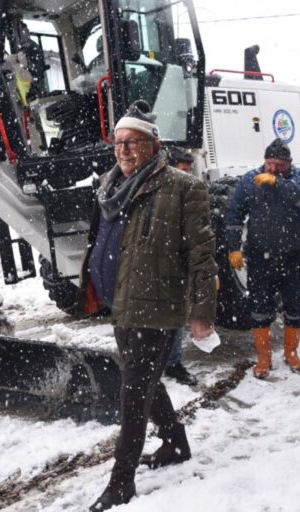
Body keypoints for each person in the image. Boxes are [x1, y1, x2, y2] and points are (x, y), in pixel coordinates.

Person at [78, 100, 217, 511]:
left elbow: (202, 256)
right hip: (121, 302)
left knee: (133, 393)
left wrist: (202, 314)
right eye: (118, 142)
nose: (123, 150)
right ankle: (175, 443)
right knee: (143, 380)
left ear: (153, 145)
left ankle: (121, 482)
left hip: (156, 307)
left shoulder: (182, 187)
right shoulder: (111, 185)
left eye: (133, 142)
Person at [226, 138, 300, 378]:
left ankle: (291, 352)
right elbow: (234, 213)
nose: (273, 168)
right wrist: (233, 247)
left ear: (289, 163)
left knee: (294, 306)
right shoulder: (250, 180)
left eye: (279, 164)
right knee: (260, 307)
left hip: (293, 255)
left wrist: (279, 183)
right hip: (260, 257)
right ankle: (264, 357)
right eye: (269, 163)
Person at [163, 146, 199, 386]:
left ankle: (172, 363)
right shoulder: (160, 194)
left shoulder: (189, 194)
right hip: (157, 265)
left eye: (190, 170)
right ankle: (158, 363)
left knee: (175, 317)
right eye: (183, 170)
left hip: (177, 265)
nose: (188, 175)